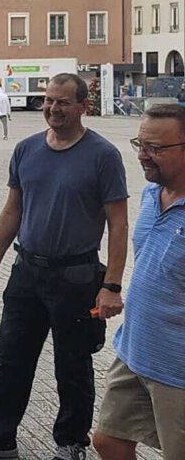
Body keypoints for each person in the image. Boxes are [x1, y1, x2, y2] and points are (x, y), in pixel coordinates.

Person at [0, 73, 128, 460]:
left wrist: (111, 286)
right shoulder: (27, 149)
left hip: (77, 277)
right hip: (27, 272)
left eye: (63, 102)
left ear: (83, 106)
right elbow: (12, 210)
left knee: (73, 365)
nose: (53, 108)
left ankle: (71, 443)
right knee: (10, 358)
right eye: (49, 100)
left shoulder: (103, 155)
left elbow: (118, 224)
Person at [93, 105, 185, 460]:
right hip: (135, 350)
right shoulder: (151, 194)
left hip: (177, 368)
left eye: (155, 148)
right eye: (140, 145)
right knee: (108, 440)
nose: (143, 156)